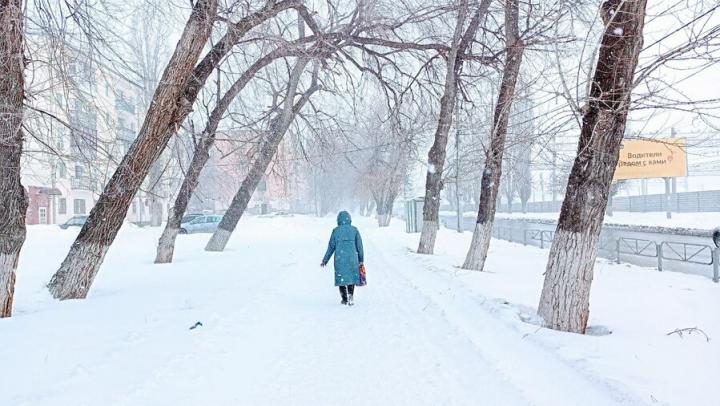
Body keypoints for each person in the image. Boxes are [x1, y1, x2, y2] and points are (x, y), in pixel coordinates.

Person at [321, 211, 364, 306]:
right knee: (351, 278)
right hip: (352, 259)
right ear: (349, 219)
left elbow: (331, 247)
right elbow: (359, 246)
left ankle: (344, 299)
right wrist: (361, 260)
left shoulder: (336, 231)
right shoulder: (354, 230)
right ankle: (350, 296)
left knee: (341, 279)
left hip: (340, 260)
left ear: (338, 220)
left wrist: (325, 260)